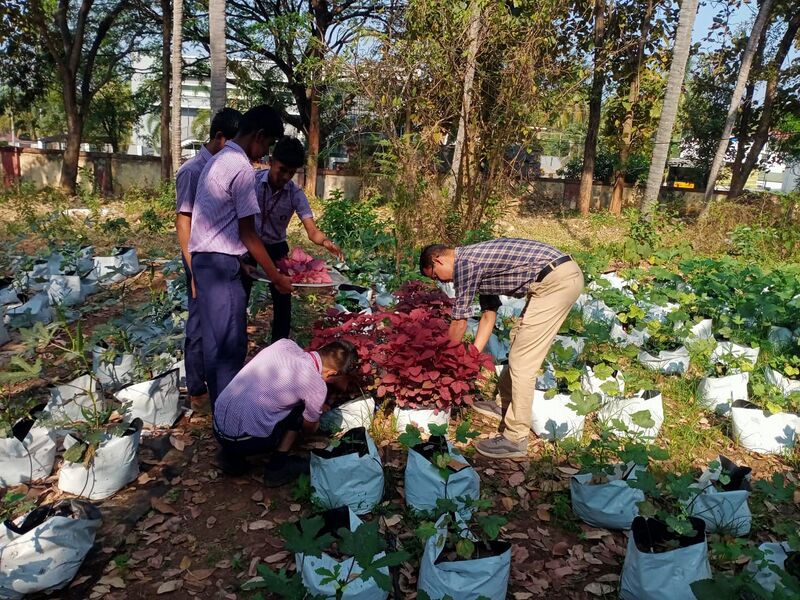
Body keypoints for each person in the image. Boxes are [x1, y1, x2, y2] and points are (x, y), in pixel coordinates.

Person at [419, 238, 584, 459]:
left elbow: (459, 321)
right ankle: (504, 404)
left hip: (555, 281)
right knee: (517, 342)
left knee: (523, 362)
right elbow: (489, 315)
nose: (441, 282)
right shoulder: (475, 264)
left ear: (437, 260)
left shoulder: (465, 264)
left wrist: (444, 362)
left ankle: (515, 439)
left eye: (436, 276)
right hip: (553, 279)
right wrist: (472, 356)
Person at [189, 105, 293, 406]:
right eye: (268, 145)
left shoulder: (217, 159)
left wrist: (241, 263)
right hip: (220, 266)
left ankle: (219, 407)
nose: (265, 153)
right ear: (259, 136)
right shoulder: (241, 167)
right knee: (230, 344)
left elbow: (219, 222)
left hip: (207, 260)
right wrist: (276, 277)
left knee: (214, 340)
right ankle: (230, 418)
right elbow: (249, 233)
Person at [212, 339, 358, 486]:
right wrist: (313, 422)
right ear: (332, 373)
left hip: (217, 427)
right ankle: (277, 467)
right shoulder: (315, 385)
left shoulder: (284, 345)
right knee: (299, 410)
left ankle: (230, 457)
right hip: (245, 441)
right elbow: (309, 428)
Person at [175, 107, 242, 413]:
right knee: (198, 324)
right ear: (219, 137)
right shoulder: (193, 170)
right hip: (200, 259)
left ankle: (217, 385)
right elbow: (184, 221)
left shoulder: (221, 167)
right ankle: (197, 387)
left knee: (217, 325)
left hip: (217, 256)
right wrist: (192, 270)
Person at [251, 136, 344, 341]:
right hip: (249, 245)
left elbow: (312, 230)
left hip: (276, 248)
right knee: (239, 296)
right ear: (271, 161)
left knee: (283, 300)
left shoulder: (295, 193)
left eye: (291, 173)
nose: (285, 176)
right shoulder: (252, 182)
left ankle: (280, 346)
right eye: (282, 169)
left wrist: (326, 242)